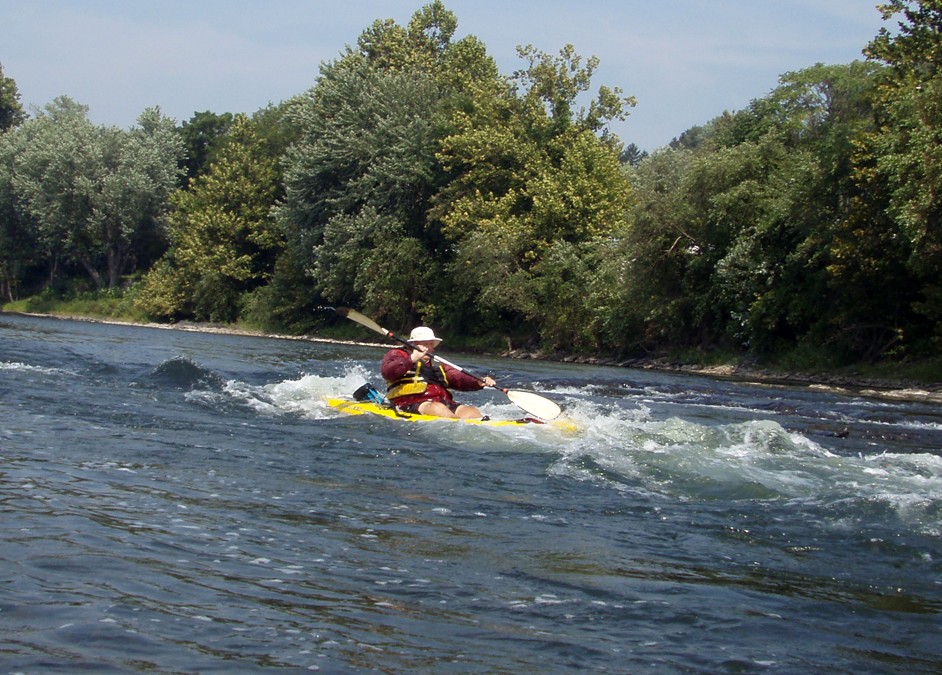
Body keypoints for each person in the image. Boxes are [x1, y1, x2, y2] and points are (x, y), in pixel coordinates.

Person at [381, 326, 496, 419]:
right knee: (437, 408)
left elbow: (456, 377)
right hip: (410, 402)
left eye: (430, 344)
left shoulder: (438, 363)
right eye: (424, 344)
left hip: (441, 402)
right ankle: (455, 425)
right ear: (413, 345)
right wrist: (411, 359)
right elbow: (387, 372)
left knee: (471, 412)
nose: (428, 348)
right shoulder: (398, 355)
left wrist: (478, 382)